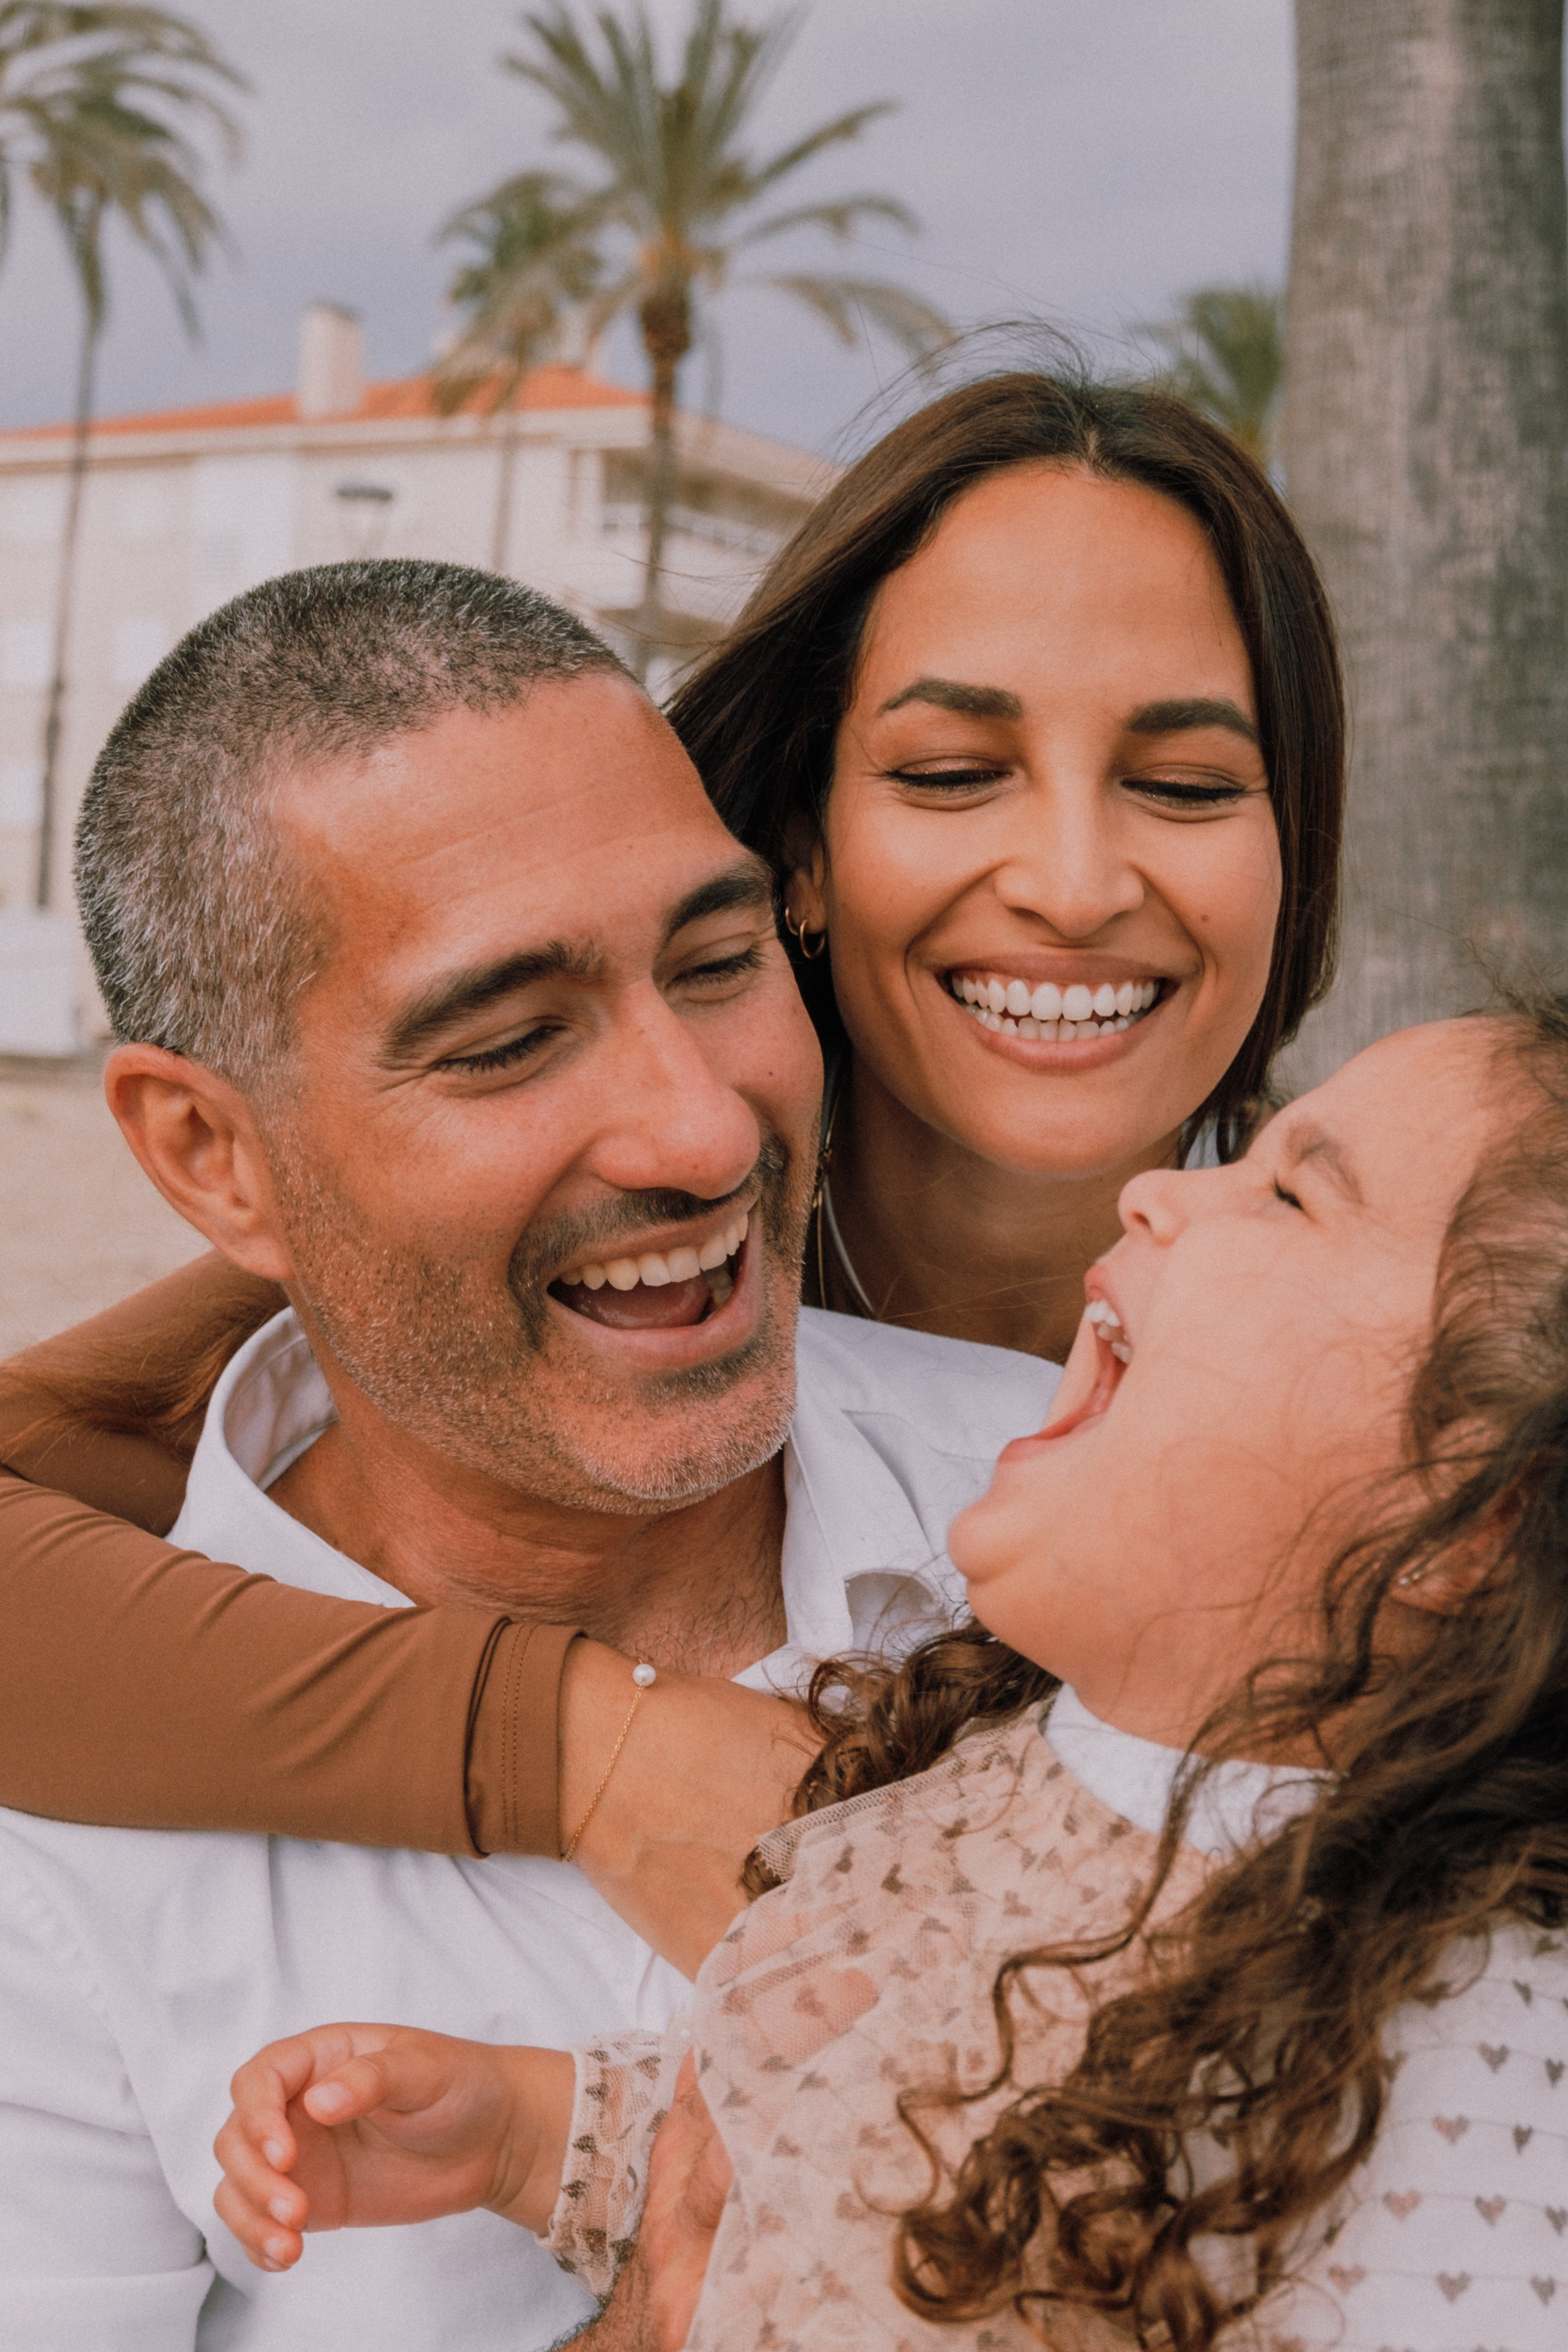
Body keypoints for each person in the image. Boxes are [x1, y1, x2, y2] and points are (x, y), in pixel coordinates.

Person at [0, 368, 1344, 1852]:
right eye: (955, 773)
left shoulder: (1421, 1341)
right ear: (799, 850)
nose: (1074, 884)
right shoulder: (523, 1246)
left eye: (1186, 783)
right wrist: (576, 1751)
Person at [0, 559, 1056, 2352]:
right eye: (505, 1043)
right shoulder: (52, 1876)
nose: (703, 1124)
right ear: (207, 1156)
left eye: (720, 963)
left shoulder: (1093, 1505)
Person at [212, 1008, 1568, 2351]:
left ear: (1473, 1511)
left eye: (1285, 1194)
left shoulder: (1466, 2086)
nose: (1157, 1190)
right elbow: (817, 2124)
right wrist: (532, 2135)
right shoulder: (1000, 1751)